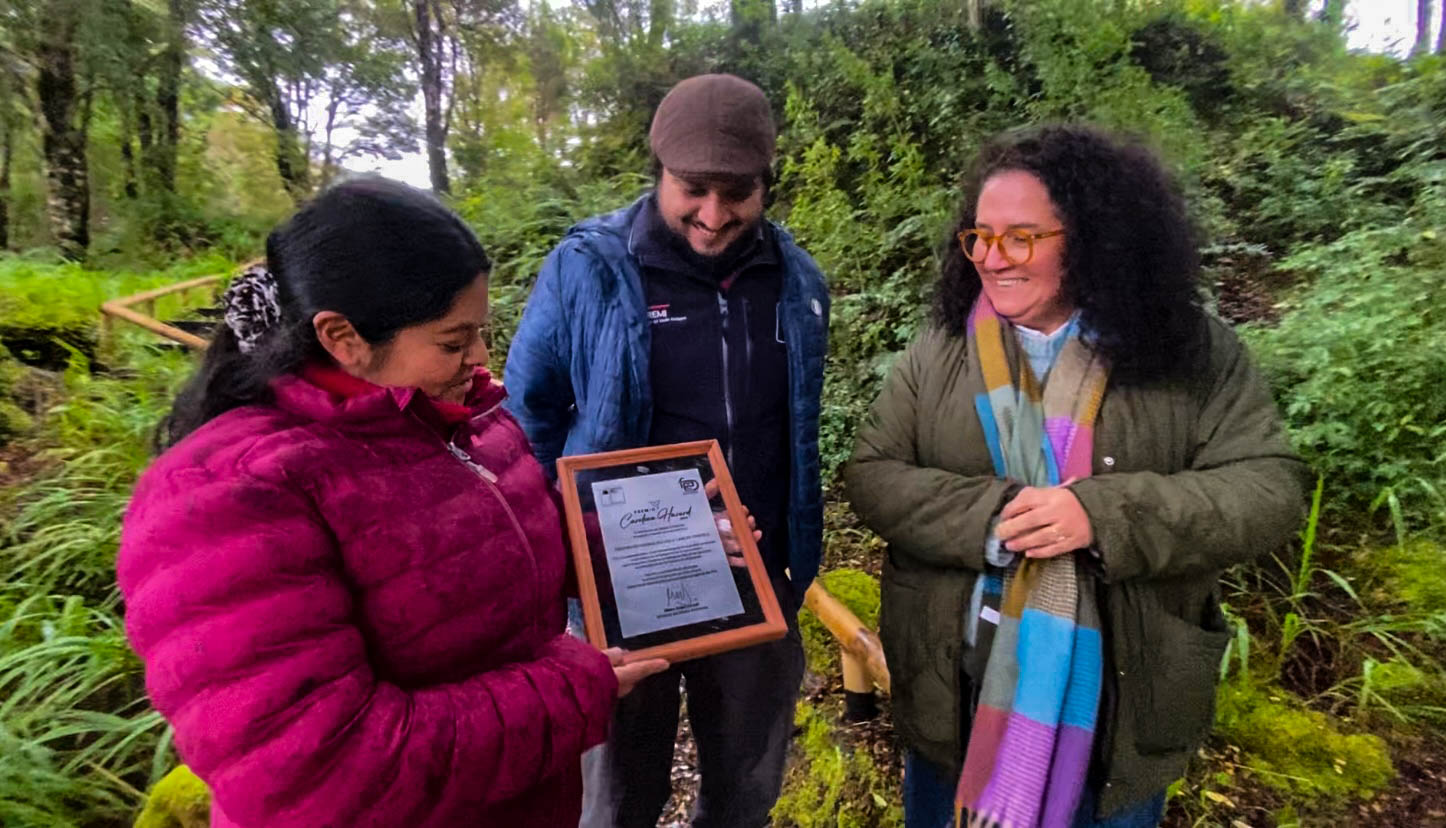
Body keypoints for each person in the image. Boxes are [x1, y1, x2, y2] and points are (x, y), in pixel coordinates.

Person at [116, 177, 668, 828]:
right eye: (453, 341)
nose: (483, 358)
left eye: (481, 331)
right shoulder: (227, 495)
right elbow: (324, 771)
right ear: (343, 337)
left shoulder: (462, 421)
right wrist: (572, 689)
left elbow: (507, 539)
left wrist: (655, 539)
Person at [845, 125, 1306, 828]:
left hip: (1122, 710)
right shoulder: (938, 352)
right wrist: (994, 517)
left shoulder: (1190, 352)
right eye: (979, 236)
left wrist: (1104, 516)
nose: (993, 260)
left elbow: (1269, 487)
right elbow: (873, 475)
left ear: (1093, 240)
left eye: (1021, 237)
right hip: (953, 698)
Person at [504, 73, 830, 828]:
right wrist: (558, 557)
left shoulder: (795, 279)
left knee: (746, 788)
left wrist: (792, 560)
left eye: (737, 191)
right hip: (622, 586)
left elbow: (800, 421)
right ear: (658, 172)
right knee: (615, 794)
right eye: (693, 189)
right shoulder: (590, 267)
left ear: (765, 183)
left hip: (758, 575)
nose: (714, 215)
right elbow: (528, 416)